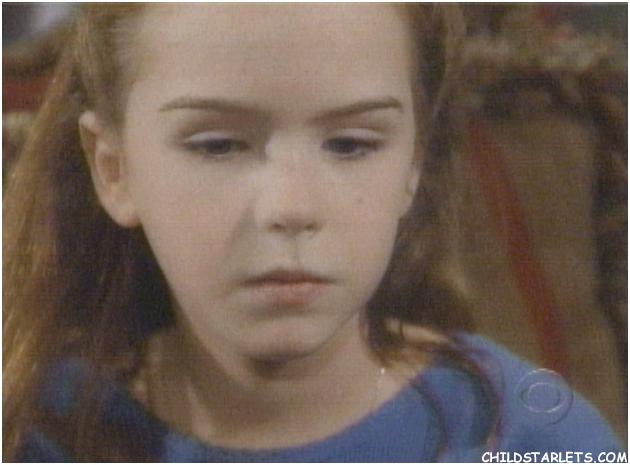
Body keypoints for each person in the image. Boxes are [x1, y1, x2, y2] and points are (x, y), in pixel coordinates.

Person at [3, 4, 623, 462]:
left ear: (413, 164)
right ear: (113, 170)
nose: (291, 207)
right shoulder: (38, 432)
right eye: (218, 145)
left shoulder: (531, 438)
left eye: (351, 144)